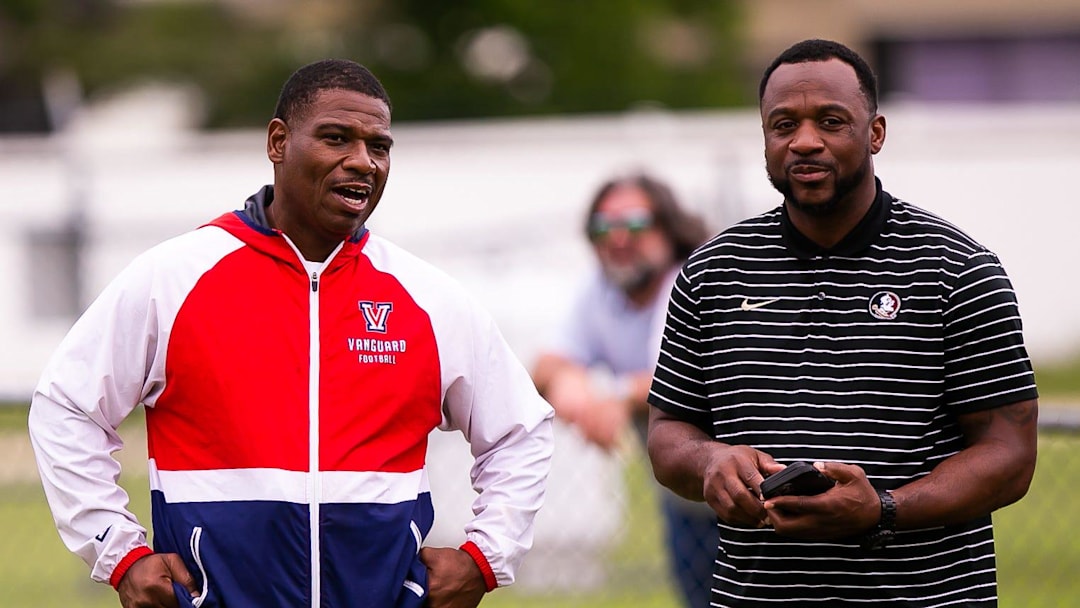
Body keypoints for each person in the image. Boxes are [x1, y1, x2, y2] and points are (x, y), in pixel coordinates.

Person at [27, 59, 554, 608]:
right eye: (336, 138)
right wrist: (120, 554)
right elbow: (66, 407)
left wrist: (485, 556)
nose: (363, 161)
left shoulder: (427, 298)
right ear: (278, 142)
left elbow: (522, 430)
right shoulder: (174, 278)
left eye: (379, 146)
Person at [646, 38, 1039, 607]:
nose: (805, 141)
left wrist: (883, 510)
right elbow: (668, 432)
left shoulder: (956, 269)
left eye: (831, 122)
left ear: (875, 133)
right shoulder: (712, 273)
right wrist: (710, 462)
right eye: (784, 125)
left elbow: (1010, 455)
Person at [531, 173, 717, 608]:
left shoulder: (692, 281)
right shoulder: (600, 291)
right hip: (683, 493)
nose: (617, 238)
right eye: (603, 226)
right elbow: (546, 365)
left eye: (634, 223)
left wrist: (613, 396)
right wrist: (570, 385)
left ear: (668, 228)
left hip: (746, 486)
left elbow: (676, 376)